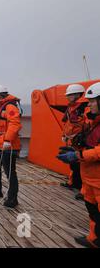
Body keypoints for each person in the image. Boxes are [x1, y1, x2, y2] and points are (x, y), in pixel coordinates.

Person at [57, 82, 100, 248]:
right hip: (90, 177)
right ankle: (94, 238)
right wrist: (73, 148)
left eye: (92, 101)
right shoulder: (93, 122)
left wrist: (78, 154)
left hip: (97, 178)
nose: (88, 105)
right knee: (92, 209)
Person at [60, 84, 87, 200]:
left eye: (70, 95)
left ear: (77, 95)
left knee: (84, 166)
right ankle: (73, 182)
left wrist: (80, 137)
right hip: (72, 140)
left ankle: (84, 191)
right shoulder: (71, 108)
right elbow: (68, 124)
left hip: (81, 141)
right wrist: (64, 135)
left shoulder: (84, 107)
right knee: (73, 164)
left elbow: (87, 125)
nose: (68, 97)